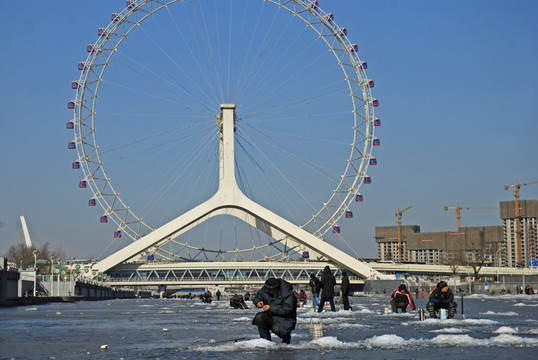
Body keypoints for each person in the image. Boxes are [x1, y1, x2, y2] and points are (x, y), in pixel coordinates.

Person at [252, 278, 297, 344]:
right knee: (259, 317)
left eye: (271, 290)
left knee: (277, 329)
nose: (269, 292)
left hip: (285, 319)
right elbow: (257, 297)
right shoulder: (265, 290)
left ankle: (286, 337)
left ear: (277, 288)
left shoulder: (287, 293)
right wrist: (258, 302)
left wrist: (271, 308)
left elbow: (288, 309)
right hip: (271, 316)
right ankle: (266, 341)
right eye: (268, 290)